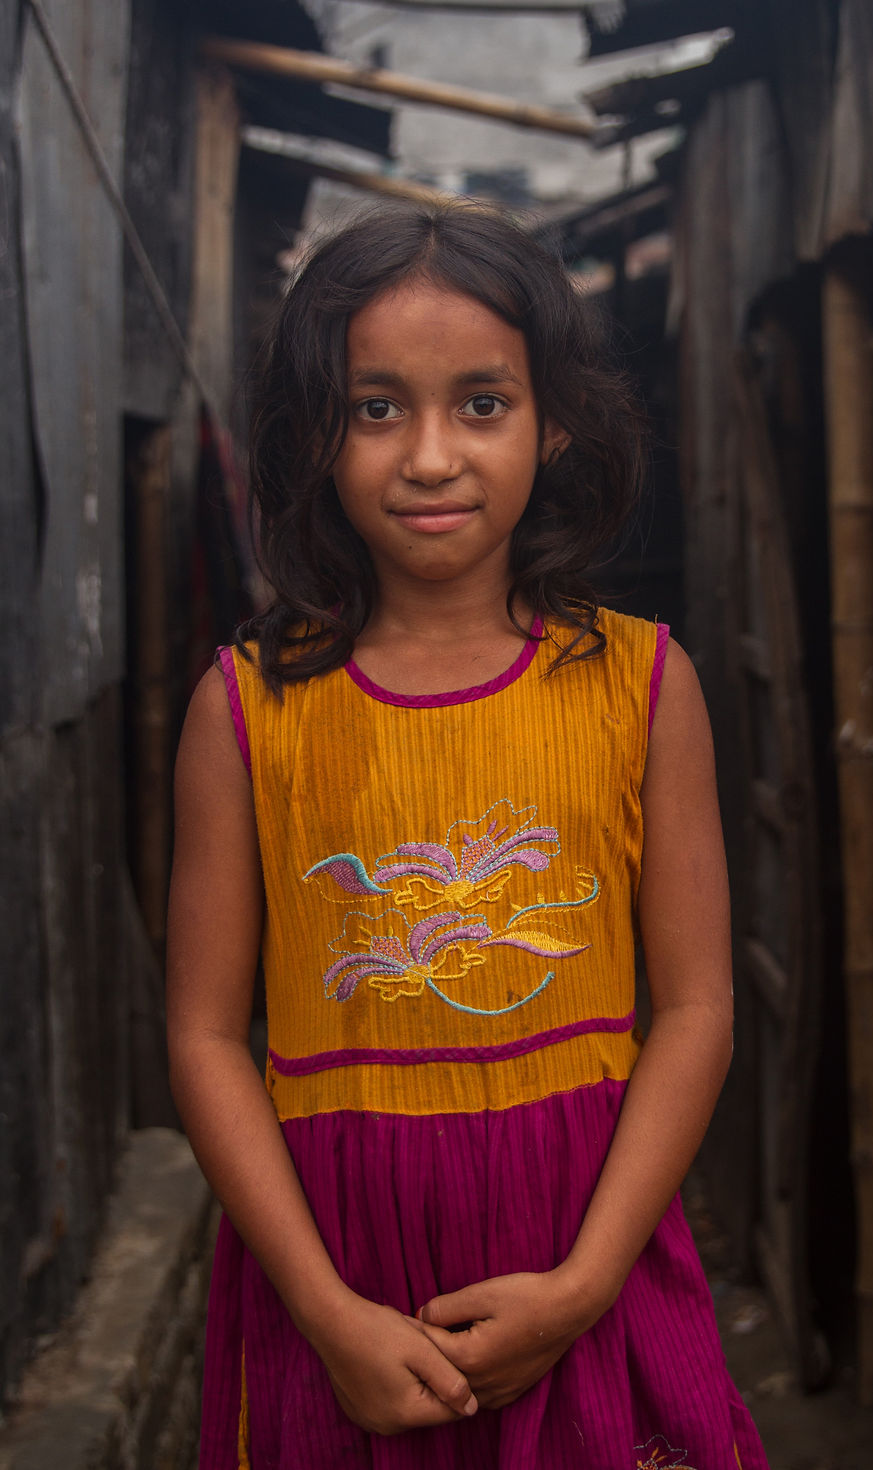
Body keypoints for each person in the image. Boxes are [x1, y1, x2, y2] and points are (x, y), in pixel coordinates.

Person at [167, 202, 769, 1470]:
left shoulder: (641, 689)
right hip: (337, 1272)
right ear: (313, 434)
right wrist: (328, 1316)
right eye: (376, 407)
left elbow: (699, 1007)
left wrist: (587, 1283)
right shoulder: (247, 713)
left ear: (554, 422)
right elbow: (207, 1037)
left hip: (578, 1249)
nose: (429, 455)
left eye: (480, 404)